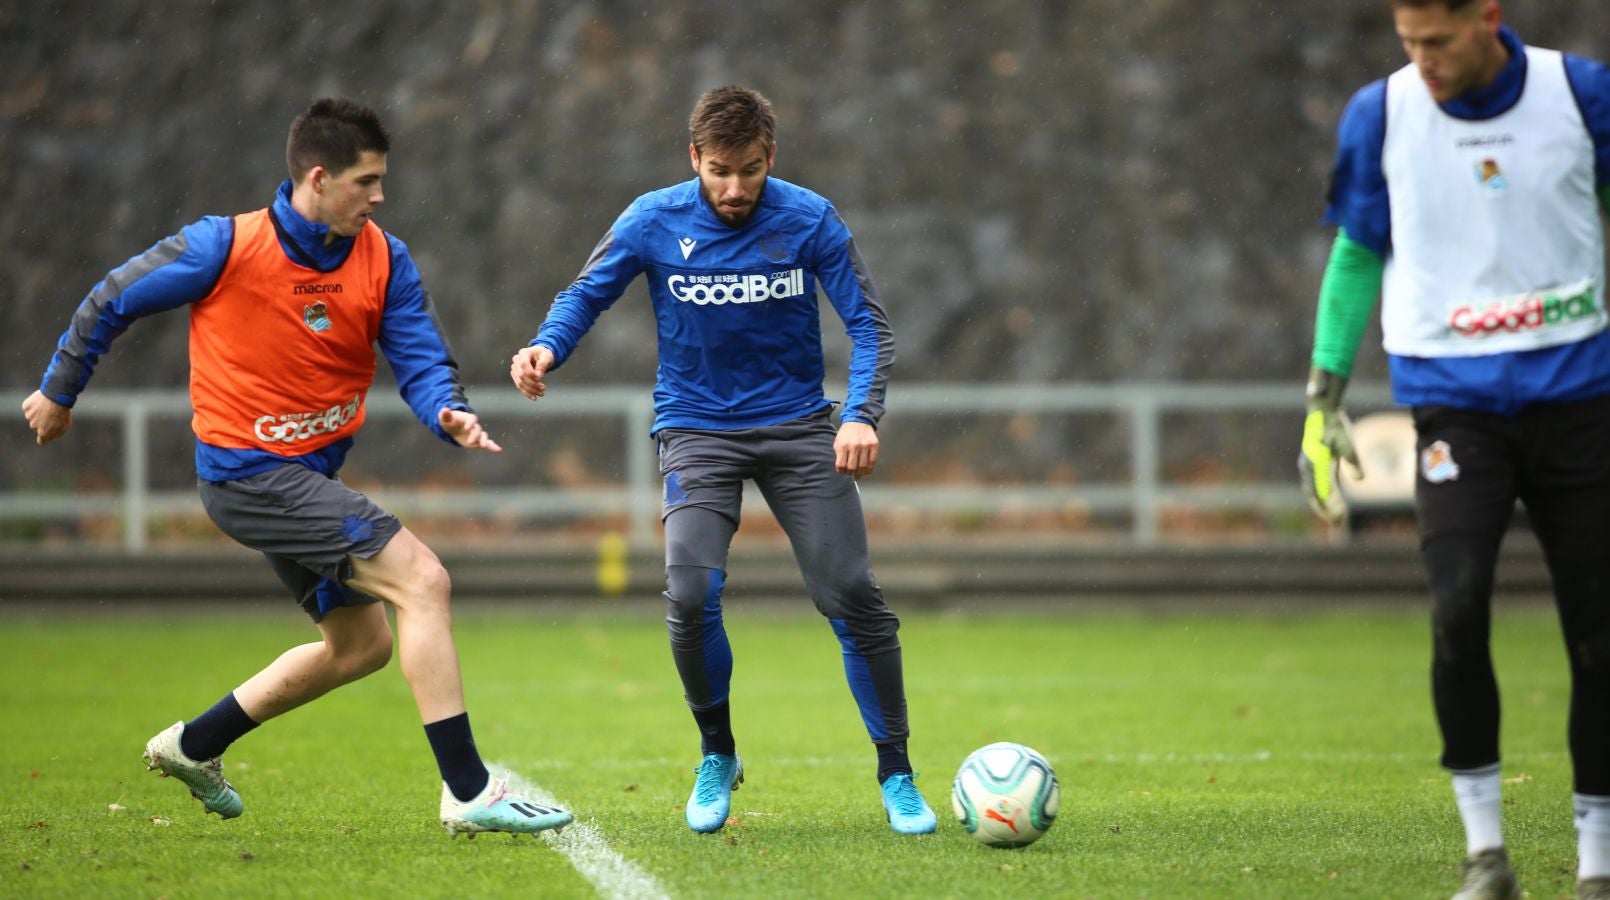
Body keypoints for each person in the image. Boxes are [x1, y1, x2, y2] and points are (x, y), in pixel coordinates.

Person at [22, 98, 571, 839]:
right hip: (248, 474)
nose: (379, 195)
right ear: (319, 178)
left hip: (305, 480)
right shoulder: (225, 245)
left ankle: (194, 745)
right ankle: (470, 791)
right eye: (366, 181)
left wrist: (447, 410)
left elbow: (419, 356)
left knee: (362, 647)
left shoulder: (384, 257)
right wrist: (59, 392)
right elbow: (112, 297)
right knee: (423, 580)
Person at [509, 84, 937, 836]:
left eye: (750, 170)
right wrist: (547, 345)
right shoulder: (652, 219)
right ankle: (717, 753)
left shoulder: (810, 218)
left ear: (771, 157)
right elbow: (585, 293)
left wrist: (859, 416)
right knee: (689, 591)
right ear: (694, 159)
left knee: (850, 592)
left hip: (799, 427)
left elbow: (869, 326)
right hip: (697, 429)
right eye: (719, 171)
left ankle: (896, 773)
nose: (735, 188)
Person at [1298, 2, 1610, 897]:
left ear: (1488, 18)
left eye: (1437, 42)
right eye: (1408, 42)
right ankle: (1487, 854)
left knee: (1598, 635)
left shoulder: (1581, 96)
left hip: (1580, 399)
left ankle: (1598, 861)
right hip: (1454, 406)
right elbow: (1358, 254)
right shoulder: (1380, 114)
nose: (1422, 60)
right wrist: (1323, 398)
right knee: (1458, 605)